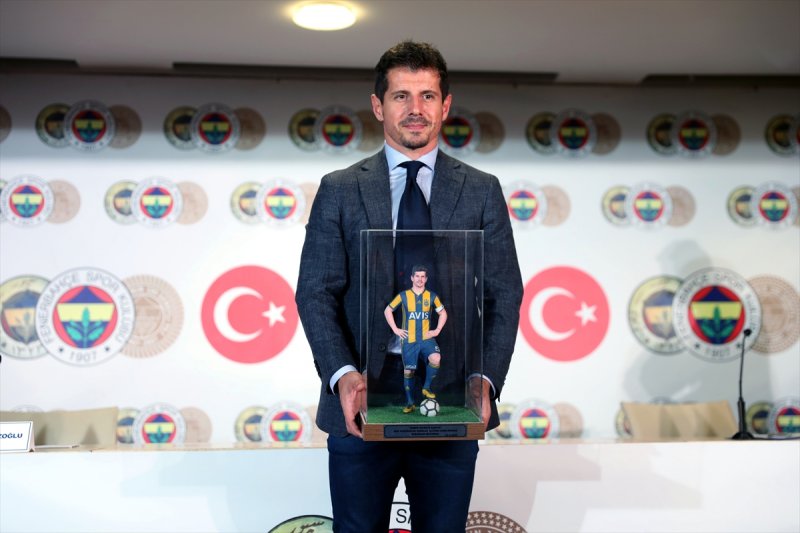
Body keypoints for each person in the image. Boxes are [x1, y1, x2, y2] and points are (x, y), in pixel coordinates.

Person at [296, 40, 523, 533]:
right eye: (401, 96)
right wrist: (343, 375)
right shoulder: (340, 189)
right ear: (378, 106)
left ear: (446, 105)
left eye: (427, 96)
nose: (415, 109)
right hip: (360, 410)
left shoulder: (482, 190)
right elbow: (315, 291)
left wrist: (485, 379)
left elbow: (504, 294)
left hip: (452, 406)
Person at [384, 264, 447, 412]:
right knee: (409, 371)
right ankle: (410, 402)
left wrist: (437, 330)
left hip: (426, 338)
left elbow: (443, 313)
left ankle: (426, 387)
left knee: (436, 358)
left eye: (423, 276)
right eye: (417, 276)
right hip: (409, 340)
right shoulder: (403, 296)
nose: (420, 279)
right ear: (412, 278)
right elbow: (388, 310)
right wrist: (395, 329)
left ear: (426, 279)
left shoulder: (432, 296)